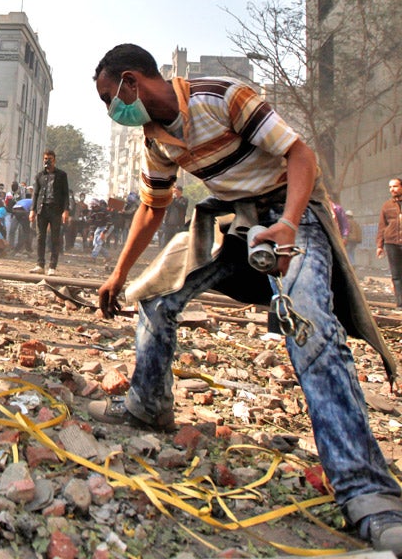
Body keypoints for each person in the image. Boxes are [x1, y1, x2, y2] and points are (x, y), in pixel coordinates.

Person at [87, 44, 402, 554]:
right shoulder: (156, 141)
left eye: (109, 98)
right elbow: (151, 207)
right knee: (157, 294)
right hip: (233, 220)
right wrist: (119, 274)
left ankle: (369, 493)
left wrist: (289, 226)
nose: (111, 111)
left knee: (309, 327)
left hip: (290, 212)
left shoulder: (222, 97)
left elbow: (301, 155)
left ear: (131, 81)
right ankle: (148, 405)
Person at [29, 149, 69, 275]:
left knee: (54, 238)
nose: (47, 161)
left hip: (56, 210)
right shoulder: (39, 176)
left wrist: (66, 210)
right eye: (45, 159)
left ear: (54, 160)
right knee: (40, 237)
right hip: (42, 209)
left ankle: (52, 266)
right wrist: (33, 210)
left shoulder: (62, 175)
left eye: (50, 159)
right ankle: (40, 265)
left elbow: (65, 194)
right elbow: (36, 193)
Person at [376, 177, 402, 309]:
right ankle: (400, 303)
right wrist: (379, 245)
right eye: (390, 187)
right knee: (396, 274)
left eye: (395, 186)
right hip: (391, 242)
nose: (392, 189)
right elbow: (382, 226)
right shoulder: (387, 206)